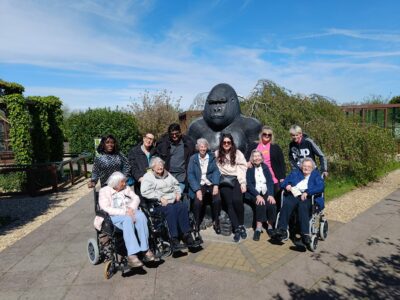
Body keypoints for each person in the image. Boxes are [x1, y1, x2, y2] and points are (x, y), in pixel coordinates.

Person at [93, 171, 154, 268]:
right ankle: (132, 255)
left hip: (130, 212)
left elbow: (136, 198)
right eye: (123, 182)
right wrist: (125, 212)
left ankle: (145, 249)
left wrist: (131, 209)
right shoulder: (104, 191)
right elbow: (106, 208)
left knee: (141, 216)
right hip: (113, 216)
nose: (125, 184)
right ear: (116, 183)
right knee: (127, 220)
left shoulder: (126, 188)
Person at [140, 157, 195, 250]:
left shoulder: (167, 174)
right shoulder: (148, 177)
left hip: (173, 199)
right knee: (170, 209)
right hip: (159, 203)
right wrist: (159, 198)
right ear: (152, 167)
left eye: (161, 165)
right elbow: (145, 192)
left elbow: (176, 184)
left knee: (182, 207)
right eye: (157, 166)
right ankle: (174, 238)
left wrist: (178, 193)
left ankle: (187, 235)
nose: (160, 167)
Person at [273, 158, 324, 245]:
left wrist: (307, 192)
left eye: (308, 166)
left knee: (302, 206)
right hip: (294, 194)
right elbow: (284, 182)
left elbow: (320, 187)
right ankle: (282, 230)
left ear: (312, 168)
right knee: (287, 203)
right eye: (304, 166)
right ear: (301, 166)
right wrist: (287, 185)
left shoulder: (316, 175)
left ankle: (305, 235)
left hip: (308, 197)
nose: (306, 168)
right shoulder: (296, 173)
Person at [215, 133, 248, 242]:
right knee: (229, 203)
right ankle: (237, 227)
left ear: (231, 143)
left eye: (228, 142)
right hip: (224, 180)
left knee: (237, 200)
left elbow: (243, 167)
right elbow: (213, 167)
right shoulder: (217, 154)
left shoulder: (237, 153)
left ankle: (242, 224)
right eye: (224, 142)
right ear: (221, 143)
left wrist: (243, 183)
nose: (226, 144)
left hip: (236, 178)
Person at [187, 138, 222, 234]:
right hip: (199, 183)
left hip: (210, 182)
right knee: (197, 202)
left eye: (204, 147)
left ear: (207, 148)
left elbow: (216, 171)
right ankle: (196, 223)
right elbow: (190, 175)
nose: (202, 149)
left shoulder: (211, 157)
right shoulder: (193, 158)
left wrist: (215, 184)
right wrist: (197, 189)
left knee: (217, 199)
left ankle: (216, 222)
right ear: (198, 148)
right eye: (201, 147)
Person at [246, 126, 286, 202]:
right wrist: (248, 162)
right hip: (256, 175)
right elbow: (247, 157)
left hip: (272, 176)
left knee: (273, 198)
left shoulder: (275, 147)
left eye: (269, 134)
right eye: (265, 134)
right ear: (261, 134)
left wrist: (282, 177)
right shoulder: (254, 145)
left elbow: (281, 163)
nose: (267, 136)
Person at [245, 150, 277, 241]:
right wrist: (257, 195)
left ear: (262, 158)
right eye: (255, 156)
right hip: (253, 192)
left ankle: (270, 227)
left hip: (265, 191)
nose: (257, 158)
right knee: (260, 204)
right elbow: (249, 184)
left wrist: (270, 195)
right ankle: (258, 228)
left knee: (271, 204)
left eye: (258, 156)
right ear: (252, 158)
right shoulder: (250, 168)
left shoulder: (265, 167)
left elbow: (270, 182)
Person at [155, 123, 195, 193]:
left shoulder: (188, 144)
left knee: (176, 195)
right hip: (167, 176)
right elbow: (155, 154)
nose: (174, 136)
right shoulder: (163, 144)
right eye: (172, 134)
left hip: (182, 177)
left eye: (176, 133)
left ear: (180, 132)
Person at [128, 132, 156, 197]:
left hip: (154, 182)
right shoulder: (134, 151)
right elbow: (132, 166)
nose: (149, 140)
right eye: (147, 138)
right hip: (140, 182)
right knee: (142, 203)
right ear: (143, 138)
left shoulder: (155, 152)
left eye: (151, 139)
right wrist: (140, 177)